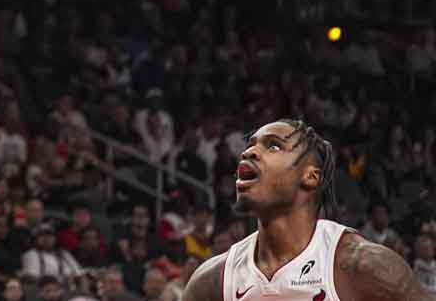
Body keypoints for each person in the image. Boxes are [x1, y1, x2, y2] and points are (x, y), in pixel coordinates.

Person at [182, 119, 434, 300]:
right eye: (250, 145)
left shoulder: (364, 267)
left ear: (310, 177)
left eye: (273, 146)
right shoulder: (213, 281)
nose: (249, 152)